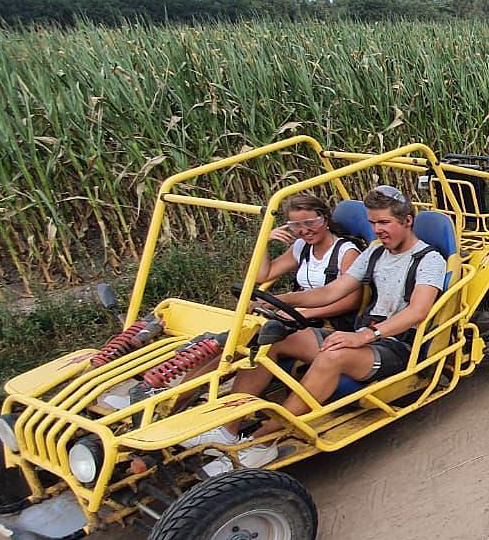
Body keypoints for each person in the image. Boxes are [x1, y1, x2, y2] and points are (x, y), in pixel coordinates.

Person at [186, 185, 449, 474]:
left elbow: (417, 311)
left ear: (407, 220)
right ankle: (227, 429)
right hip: (365, 337)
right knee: (272, 337)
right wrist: (282, 299)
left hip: (396, 345)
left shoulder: (429, 259)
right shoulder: (375, 252)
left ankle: (263, 441)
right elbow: (331, 292)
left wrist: (364, 336)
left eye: (384, 222)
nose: (377, 230)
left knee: (333, 355)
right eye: (373, 223)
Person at [254, 193, 363, 328]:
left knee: (270, 331)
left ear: (325, 219)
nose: (304, 231)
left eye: (310, 223)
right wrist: (263, 241)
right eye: (296, 226)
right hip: (302, 315)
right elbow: (262, 276)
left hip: (331, 322)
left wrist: (306, 313)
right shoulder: (301, 247)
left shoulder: (346, 252)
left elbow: (352, 301)